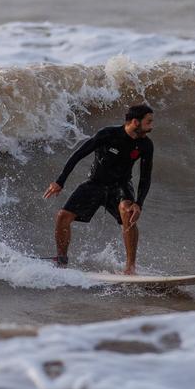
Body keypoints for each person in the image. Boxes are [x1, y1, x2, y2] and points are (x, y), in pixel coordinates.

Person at [43, 104, 154, 274]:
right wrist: (60, 182)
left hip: (121, 186)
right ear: (135, 122)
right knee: (62, 217)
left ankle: (130, 267)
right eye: (148, 122)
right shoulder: (108, 134)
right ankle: (61, 259)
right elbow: (78, 155)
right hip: (95, 183)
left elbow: (145, 177)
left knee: (128, 212)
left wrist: (139, 203)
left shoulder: (146, 145)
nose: (151, 126)